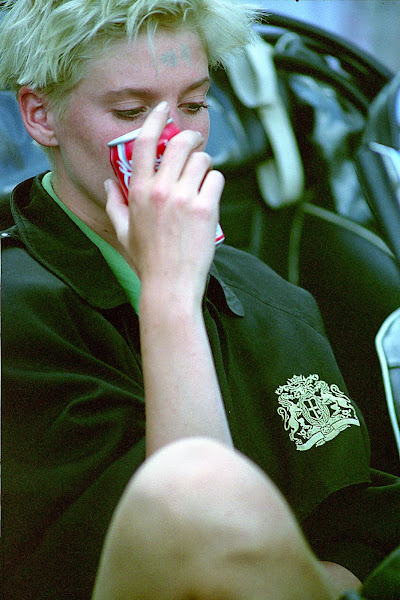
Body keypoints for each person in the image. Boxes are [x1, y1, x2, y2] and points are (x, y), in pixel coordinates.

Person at [0, 1, 398, 599]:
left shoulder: (268, 294)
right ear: (40, 116)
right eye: (130, 111)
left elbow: (364, 526)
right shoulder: (19, 315)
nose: (174, 139)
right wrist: (169, 295)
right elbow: (177, 550)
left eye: (194, 104)